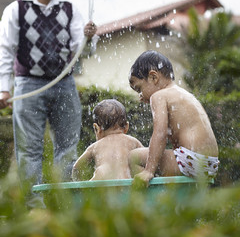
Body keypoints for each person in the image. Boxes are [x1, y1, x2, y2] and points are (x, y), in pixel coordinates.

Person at [0, 0, 97, 208]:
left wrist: (90, 38)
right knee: (29, 150)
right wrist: (3, 89)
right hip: (28, 83)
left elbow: (84, 50)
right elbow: (5, 51)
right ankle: (34, 209)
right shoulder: (16, 9)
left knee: (68, 148)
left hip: (65, 83)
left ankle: (63, 204)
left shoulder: (69, 9)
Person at [128, 50, 219, 185]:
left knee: (134, 156)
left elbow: (160, 134)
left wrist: (149, 170)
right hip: (210, 163)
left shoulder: (158, 96)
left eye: (139, 89)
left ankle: (145, 199)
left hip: (191, 160)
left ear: (153, 77)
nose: (140, 96)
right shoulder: (182, 94)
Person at [72, 99, 144, 181]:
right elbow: (149, 160)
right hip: (126, 183)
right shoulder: (133, 141)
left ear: (97, 128)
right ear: (126, 126)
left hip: (102, 185)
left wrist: (78, 185)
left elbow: (76, 168)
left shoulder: (95, 146)